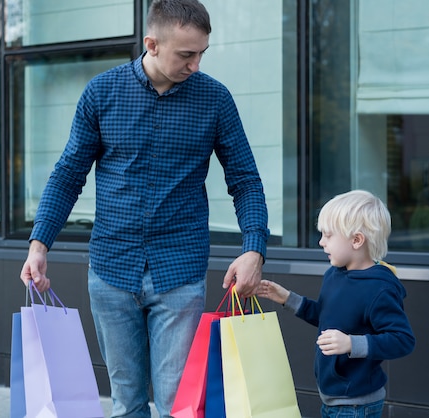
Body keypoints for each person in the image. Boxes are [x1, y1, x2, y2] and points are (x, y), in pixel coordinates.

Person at [19, 0, 269, 417]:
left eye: (202, 53)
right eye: (186, 54)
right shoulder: (101, 93)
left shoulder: (215, 100)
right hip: (111, 271)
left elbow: (245, 180)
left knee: (178, 404)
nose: (196, 64)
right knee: (127, 402)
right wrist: (39, 244)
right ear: (151, 44)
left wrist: (253, 249)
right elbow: (68, 174)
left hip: (180, 273)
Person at [256, 190, 415, 418]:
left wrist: (351, 343)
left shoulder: (380, 288)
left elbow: (403, 340)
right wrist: (287, 298)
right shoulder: (334, 274)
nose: (321, 242)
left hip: (357, 404)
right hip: (332, 397)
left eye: (328, 235)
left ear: (357, 240)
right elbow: (326, 316)